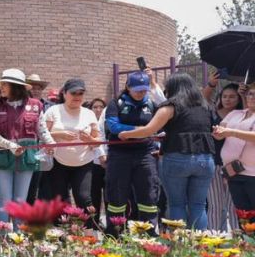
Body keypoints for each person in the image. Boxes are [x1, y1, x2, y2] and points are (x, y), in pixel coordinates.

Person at [119, 73, 216, 229]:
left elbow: (149, 129)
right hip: (205, 160)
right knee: (198, 205)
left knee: (177, 204)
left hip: (177, 158)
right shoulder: (204, 106)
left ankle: (179, 244)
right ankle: (200, 246)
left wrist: (125, 134)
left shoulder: (170, 106)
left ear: (172, 88)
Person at [0, 69, 55, 223]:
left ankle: (19, 240)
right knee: (5, 201)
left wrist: (50, 143)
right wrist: (9, 144)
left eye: (5, 84)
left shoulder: (36, 106)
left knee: (20, 201)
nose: (2, 87)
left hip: (27, 159)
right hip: (2, 159)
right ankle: (2, 239)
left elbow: (42, 130)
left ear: (15, 86)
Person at [103, 71, 160, 236]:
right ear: (128, 87)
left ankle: (148, 233)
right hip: (119, 155)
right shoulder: (116, 103)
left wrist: (137, 132)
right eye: (137, 90)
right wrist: (142, 130)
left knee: (148, 193)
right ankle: (115, 233)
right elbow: (114, 127)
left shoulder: (151, 104)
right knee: (117, 195)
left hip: (145, 154)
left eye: (144, 89)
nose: (141, 93)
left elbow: (159, 126)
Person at [44, 78, 102, 222]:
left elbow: (98, 142)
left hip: (84, 162)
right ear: (64, 93)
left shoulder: (89, 113)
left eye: (80, 93)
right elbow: (42, 134)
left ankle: (87, 232)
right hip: (58, 162)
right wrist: (59, 135)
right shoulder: (53, 110)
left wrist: (88, 139)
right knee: (60, 199)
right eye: (73, 93)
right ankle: (62, 235)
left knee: (84, 198)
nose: (77, 97)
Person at [204, 72, 243, 230]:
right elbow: (204, 99)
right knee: (215, 205)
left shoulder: (242, 115)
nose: (227, 99)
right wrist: (211, 84)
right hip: (214, 164)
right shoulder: (213, 113)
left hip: (236, 166)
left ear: (239, 98)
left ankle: (237, 241)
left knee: (234, 206)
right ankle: (215, 240)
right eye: (225, 96)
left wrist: (244, 93)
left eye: (232, 96)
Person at [213, 87, 255, 215]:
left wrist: (231, 132)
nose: (252, 97)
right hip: (234, 171)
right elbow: (220, 132)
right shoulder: (235, 114)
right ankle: (245, 236)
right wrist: (218, 132)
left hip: (253, 174)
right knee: (243, 214)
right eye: (250, 94)